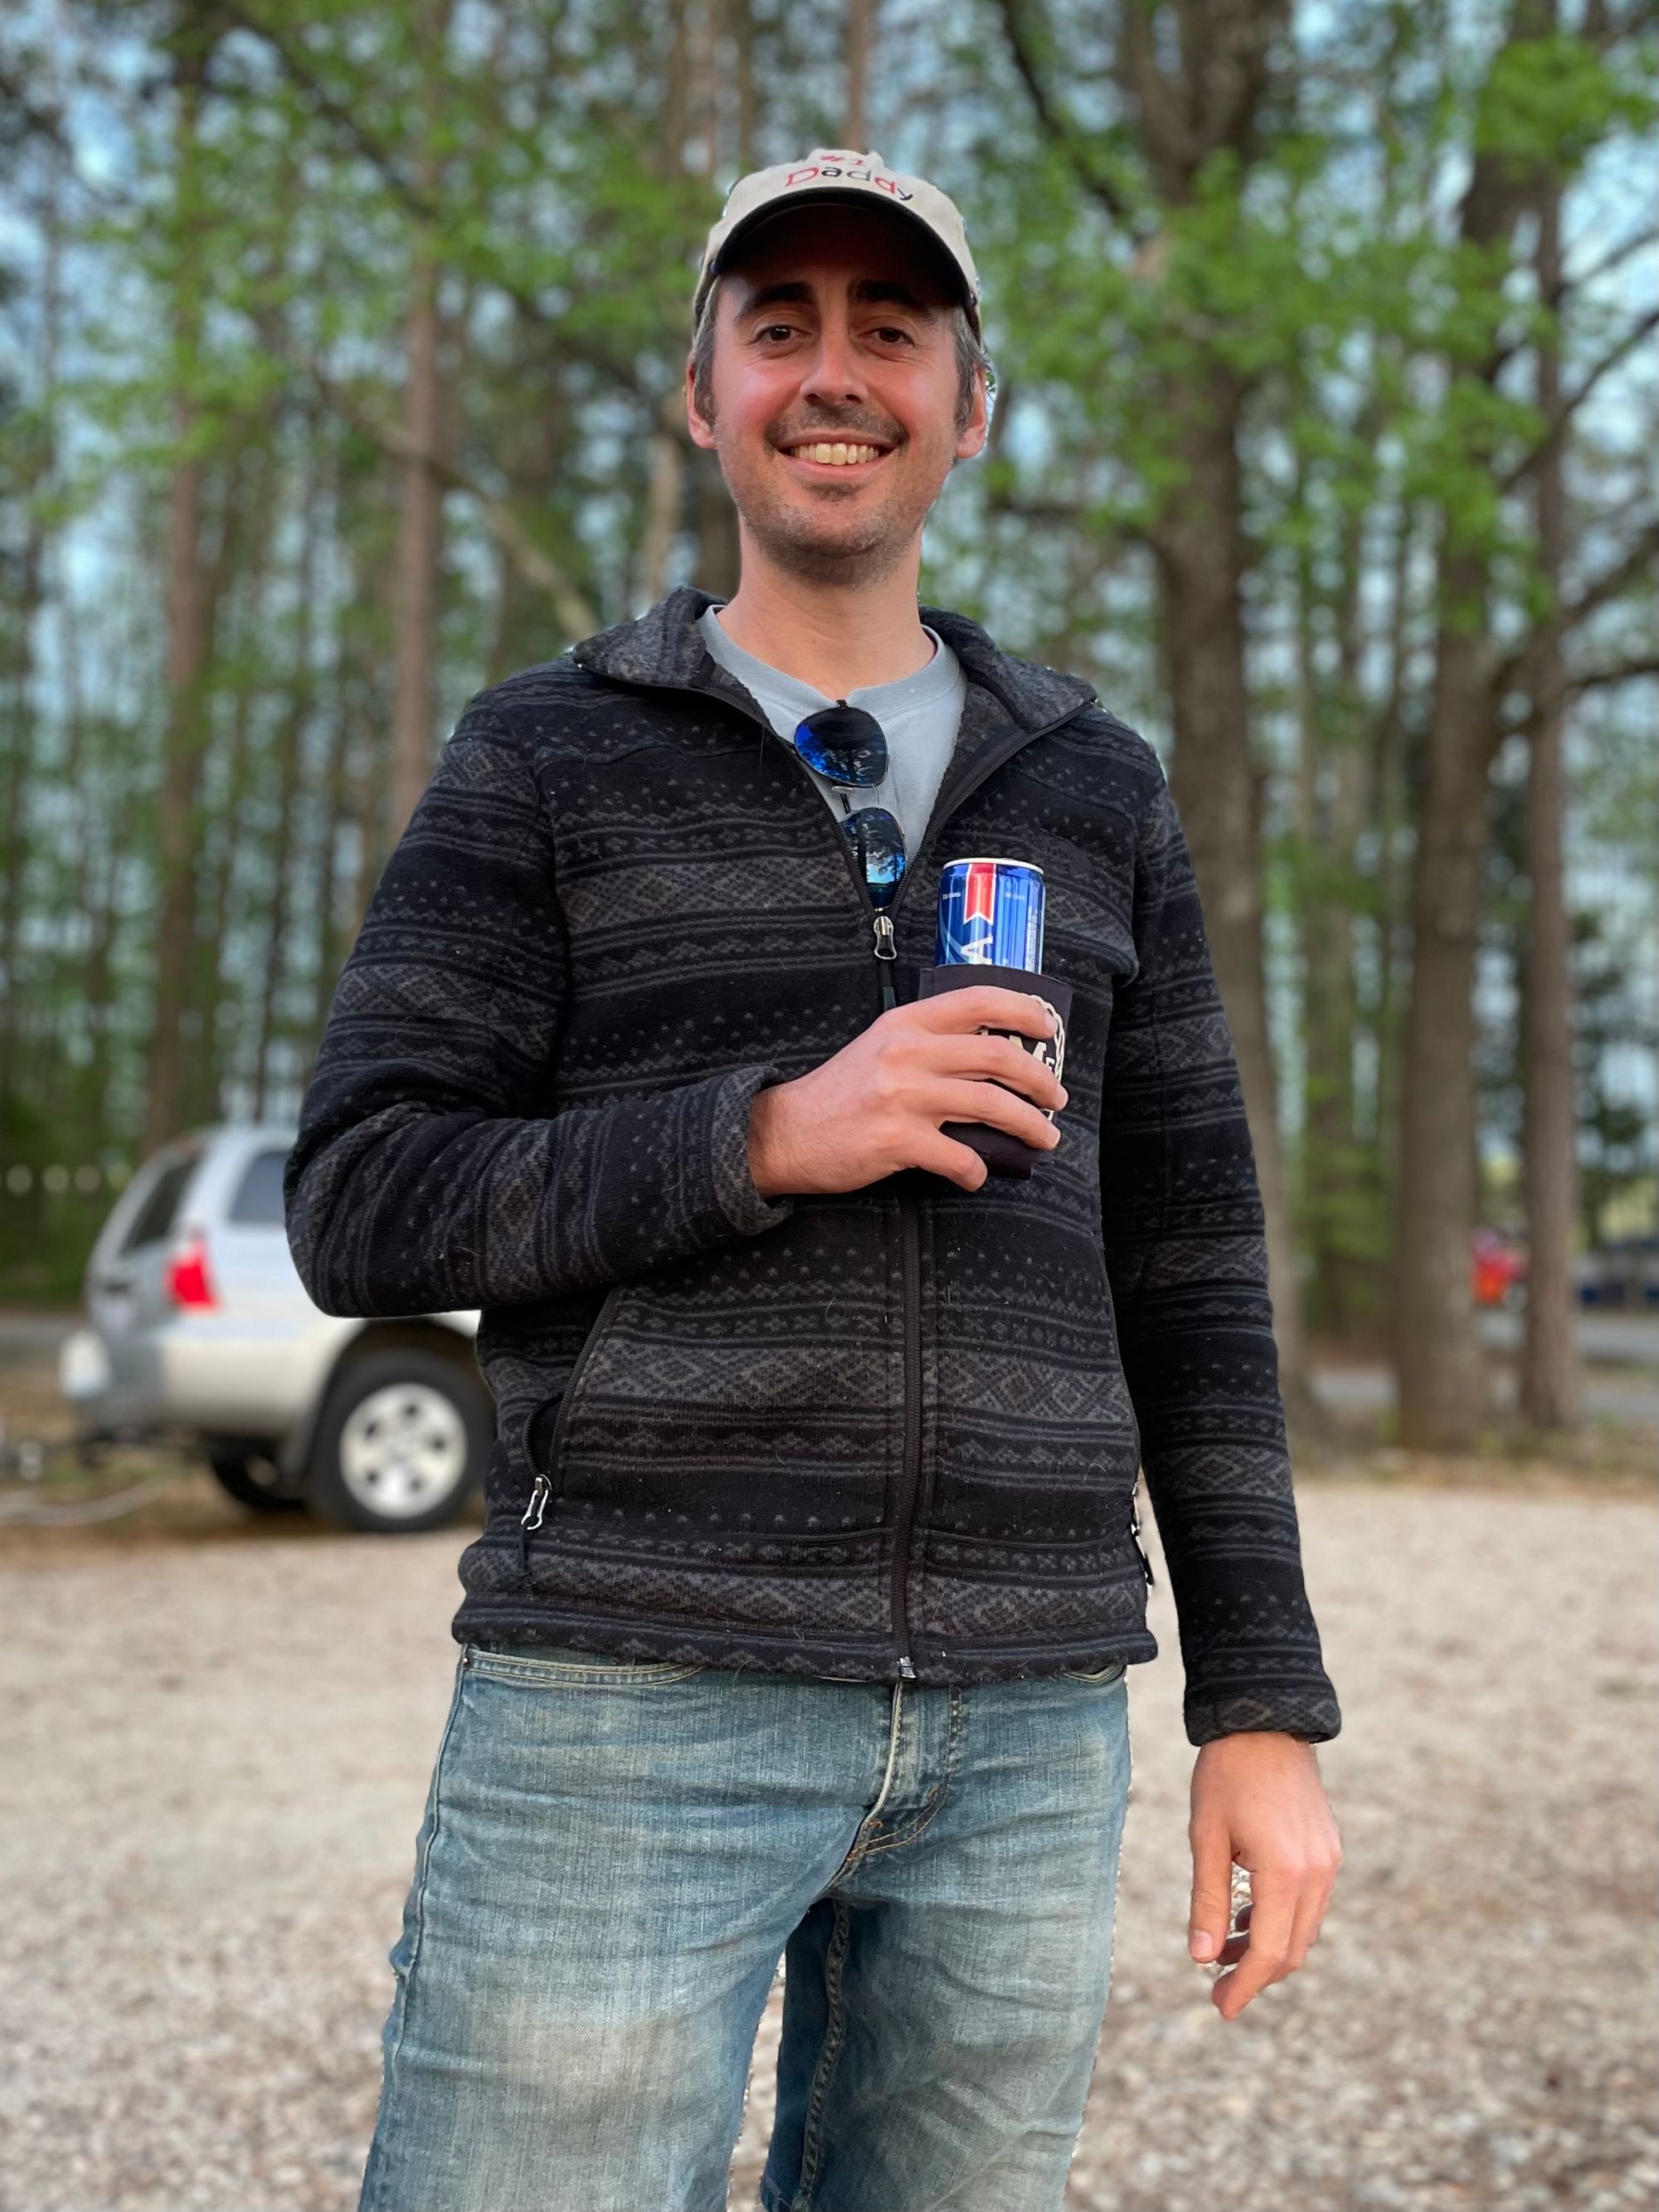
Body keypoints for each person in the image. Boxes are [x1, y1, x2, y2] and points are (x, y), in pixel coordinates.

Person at [285, 147, 1343, 2212]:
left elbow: (1191, 1266)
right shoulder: (547, 754)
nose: (832, 373)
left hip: (1027, 1734)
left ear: (973, 405)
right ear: (705, 401)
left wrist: (1261, 1705)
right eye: (778, 329)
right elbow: (364, 1196)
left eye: (889, 329)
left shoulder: (1095, 783)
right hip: (626, 1700)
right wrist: (763, 1134)